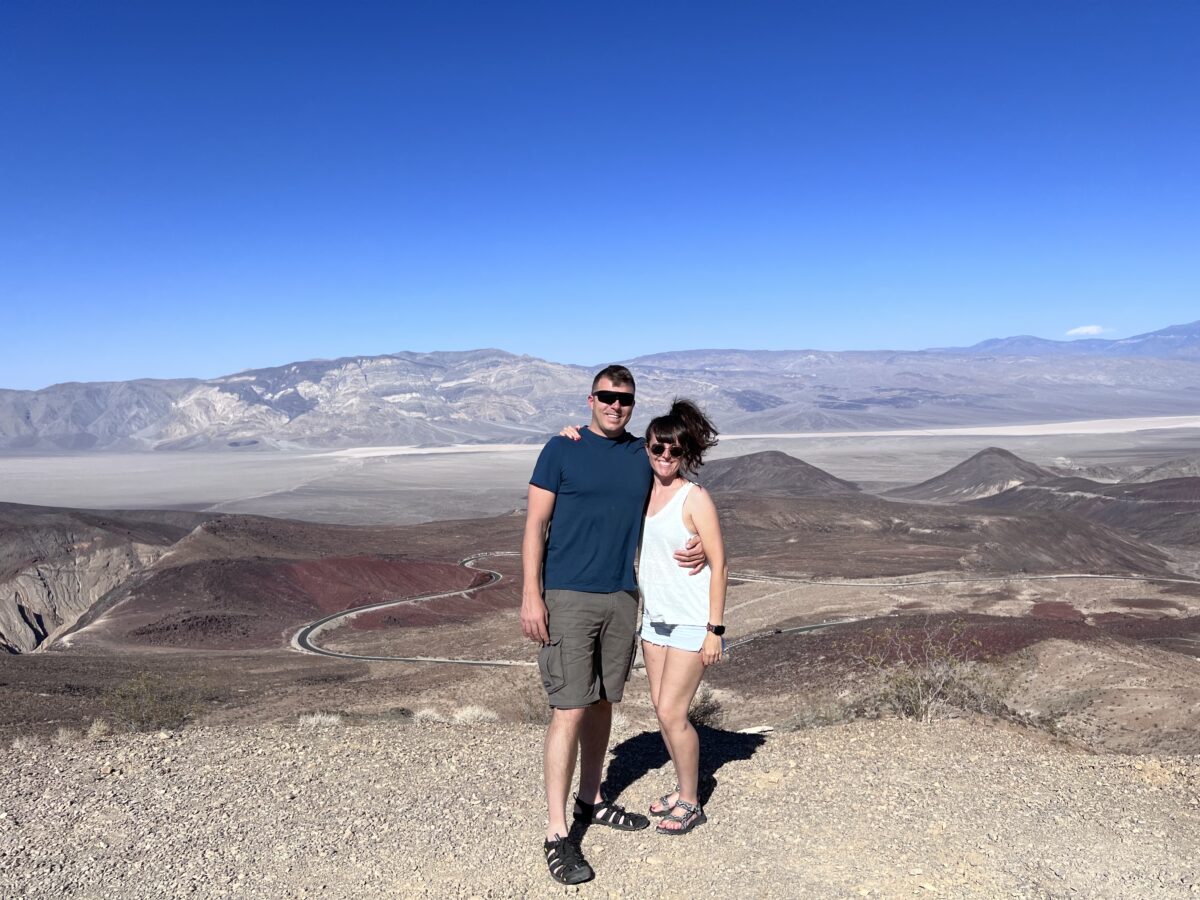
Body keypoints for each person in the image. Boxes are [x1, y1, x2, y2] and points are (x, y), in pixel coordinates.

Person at [521, 365, 704, 885]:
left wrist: (697, 537)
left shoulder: (639, 455)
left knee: (603, 701)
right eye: (605, 396)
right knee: (569, 707)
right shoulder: (561, 449)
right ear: (590, 399)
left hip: (622, 598)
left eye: (624, 399)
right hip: (569, 595)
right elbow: (535, 524)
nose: (614, 405)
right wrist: (531, 594)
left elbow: (676, 485)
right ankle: (558, 833)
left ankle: (591, 798)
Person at [636, 399, 724, 836]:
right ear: (647, 448)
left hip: (691, 621)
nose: (665, 457)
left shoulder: (695, 497)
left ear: (685, 452)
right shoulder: (642, 490)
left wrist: (714, 629)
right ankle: (681, 786)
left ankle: (691, 802)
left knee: (673, 711)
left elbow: (721, 565)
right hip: (654, 621)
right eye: (657, 449)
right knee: (660, 709)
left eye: (674, 450)